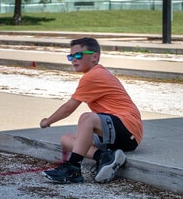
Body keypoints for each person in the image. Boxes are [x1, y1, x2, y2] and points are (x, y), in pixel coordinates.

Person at [39, 37, 143, 184]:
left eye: (78, 55)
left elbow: (69, 107)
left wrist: (47, 121)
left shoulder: (94, 75)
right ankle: (104, 157)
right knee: (66, 139)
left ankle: (73, 169)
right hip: (113, 131)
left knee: (87, 118)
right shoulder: (95, 74)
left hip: (128, 130)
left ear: (95, 57)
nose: (73, 60)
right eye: (71, 56)